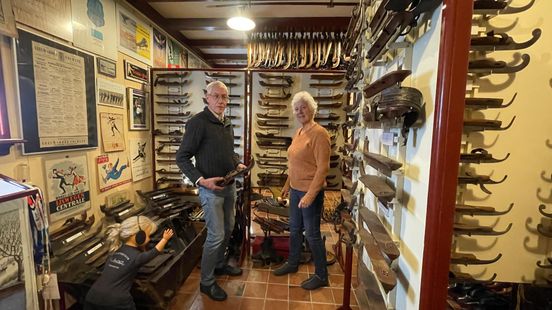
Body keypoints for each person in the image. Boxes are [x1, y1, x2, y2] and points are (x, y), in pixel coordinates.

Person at [176, 80, 246, 301]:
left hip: (229, 187)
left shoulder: (226, 123)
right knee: (216, 236)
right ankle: (206, 282)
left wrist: (237, 164)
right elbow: (182, 157)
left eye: (224, 97)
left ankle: (219, 264)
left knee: (228, 227)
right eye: (216, 96)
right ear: (206, 97)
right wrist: (201, 181)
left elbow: (229, 152)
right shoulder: (197, 123)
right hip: (210, 190)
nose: (221, 101)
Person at [272, 91, 331, 290]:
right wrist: (287, 185)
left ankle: (322, 275)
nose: (300, 112)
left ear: (312, 108)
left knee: (312, 234)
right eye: (296, 109)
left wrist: (310, 195)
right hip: (296, 190)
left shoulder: (319, 133)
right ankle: (293, 262)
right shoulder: (299, 132)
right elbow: (295, 163)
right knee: (295, 229)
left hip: (309, 193)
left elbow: (323, 168)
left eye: (303, 107)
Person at [84, 216, 174, 310]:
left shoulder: (115, 251)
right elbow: (155, 252)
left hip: (92, 297)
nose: (149, 239)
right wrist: (165, 239)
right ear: (138, 236)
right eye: (147, 235)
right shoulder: (136, 257)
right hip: (117, 302)